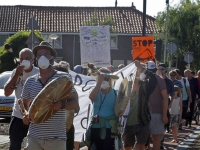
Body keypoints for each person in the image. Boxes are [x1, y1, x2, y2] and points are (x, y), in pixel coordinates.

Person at [21, 41, 79, 150]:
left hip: (56, 138)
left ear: (52, 57)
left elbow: (75, 104)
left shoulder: (64, 79)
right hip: (34, 137)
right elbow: (25, 104)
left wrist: (61, 105)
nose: (42, 57)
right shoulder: (30, 81)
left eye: (46, 54)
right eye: (39, 55)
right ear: (36, 58)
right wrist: (26, 114)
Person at [4, 48, 39, 150]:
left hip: (34, 117)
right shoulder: (16, 72)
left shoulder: (38, 73)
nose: (24, 61)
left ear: (32, 60)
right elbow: (7, 93)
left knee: (34, 146)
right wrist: (16, 75)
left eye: (27, 58)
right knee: (14, 145)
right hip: (18, 115)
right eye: (21, 58)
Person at [118, 60, 156, 150]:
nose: (137, 73)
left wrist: (142, 68)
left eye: (139, 71)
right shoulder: (125, 85)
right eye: (136, 70)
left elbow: (154, 79)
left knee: (141, 146)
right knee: (127, 147)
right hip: (127, 122)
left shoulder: (146, 86)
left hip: (143, 121)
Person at [88, 67, 119, 150]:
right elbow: (92, 97)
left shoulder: (115, 93)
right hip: (96, 126)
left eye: (106, 78)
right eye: (102, 78)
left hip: (111, 127)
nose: (104, 80)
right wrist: (99, 82)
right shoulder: (94, 90)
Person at [146, 61, 168, 150]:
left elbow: (165, 98)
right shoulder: (142, 80)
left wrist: (164, 115)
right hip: (143, 112)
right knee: (143, 138)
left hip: (156, 113)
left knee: (156, 137)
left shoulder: (160, 80)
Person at [157, 63, 175, 149]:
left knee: (162, 126)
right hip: (154, 106)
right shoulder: (154, 79)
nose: (161, 70)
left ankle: (160, 142)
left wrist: (170, 104)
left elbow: (172, 94)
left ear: (165, 70)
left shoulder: (169, 82)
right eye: (159, 68)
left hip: (164, 105)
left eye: (162, 69)